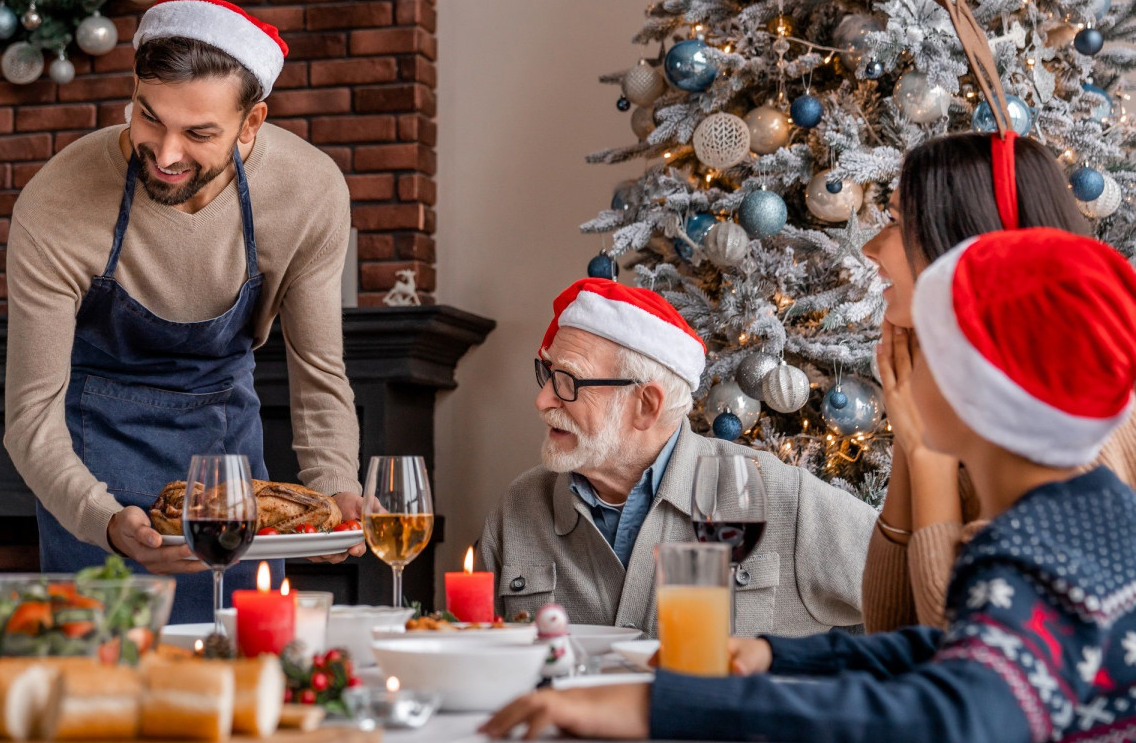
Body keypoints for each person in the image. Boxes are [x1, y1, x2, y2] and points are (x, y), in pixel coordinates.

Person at [483, 228, 1136, 743]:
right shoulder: (1086, 521)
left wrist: (671, 703)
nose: (892, 364)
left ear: (973, 389)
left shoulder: (1033, 554)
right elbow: (944, 653)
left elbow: (953, 716)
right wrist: (775, 657)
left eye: (919, 347)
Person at [5, 0, 363, 622]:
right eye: (149, 118)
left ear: (252, 123)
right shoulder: (56, 203)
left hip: (231, 466)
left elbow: (319, 373)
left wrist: (335, 490)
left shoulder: (308, 192)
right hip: (90, 467)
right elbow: (30, 415)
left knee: (246, 685)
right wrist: (106, 521)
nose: (166, 155)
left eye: (198, 133)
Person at [477, 277, 875, 636]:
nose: (543, 400)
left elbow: (925, 607)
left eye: (567, 381)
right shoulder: (518, 508)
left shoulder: (780, 497)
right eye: (547, 376)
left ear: (646, 405)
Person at [859, 132, 1136, 631]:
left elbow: (966, 654)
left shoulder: (1069, 427)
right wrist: (913, 436)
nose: (870, 246)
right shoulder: (956, 386)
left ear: (961, 242)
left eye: (897, 222)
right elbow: (893, 631)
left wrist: (929, 460)